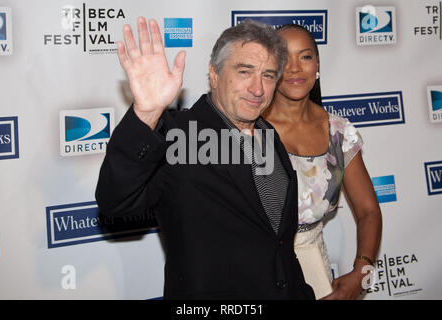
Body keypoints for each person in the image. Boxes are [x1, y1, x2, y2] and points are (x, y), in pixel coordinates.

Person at [95, 17, 315, 300]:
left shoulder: (268, 133)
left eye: (268, 75)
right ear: (214, 74)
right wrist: (147, 114)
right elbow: (116, 201)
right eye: (245, 72)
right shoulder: (179, 136)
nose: (258, 88)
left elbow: (277, 242)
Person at [263, 24, 383, 300]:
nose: (294, 68)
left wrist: (362, 272)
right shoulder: (246, 130)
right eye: (283, 57)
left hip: (315, 275)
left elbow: (368, 211)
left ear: (317, 64)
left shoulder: (338, 132)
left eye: (304, 56)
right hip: (254, 273)